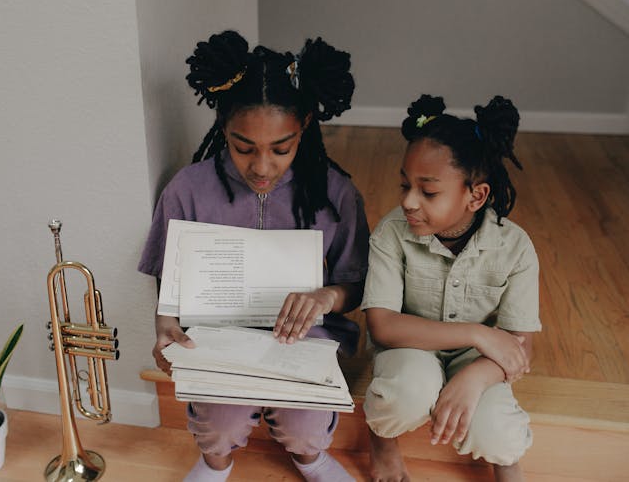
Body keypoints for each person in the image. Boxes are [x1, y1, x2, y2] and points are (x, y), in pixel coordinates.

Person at [138, 30, 369, 482]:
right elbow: (170, 284)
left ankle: (311, 459)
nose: (262, 167)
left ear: (304, 127)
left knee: (305, 425)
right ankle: (214, 463)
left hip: (305, 337)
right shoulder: (187, 190)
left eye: (281, 148)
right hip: (217, 336)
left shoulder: (334, 194)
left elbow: (355, 283)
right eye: (243, 147)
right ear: (222, 126)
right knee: (219, 421)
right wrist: (166, 326)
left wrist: (325, 297)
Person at [361, 94, 540, 482]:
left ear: (476, 196)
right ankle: (380, 437)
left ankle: (506, 463)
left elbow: (518, 346)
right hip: (409, 345)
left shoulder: (516, 247)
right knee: (406, 393)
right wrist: (477, 332)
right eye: (405, 185)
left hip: (477, 359)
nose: (408, 201)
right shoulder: (392, 234)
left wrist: (474, 377)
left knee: (497, 430)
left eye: (427, 192)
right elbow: (383, 327)